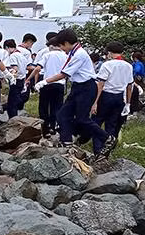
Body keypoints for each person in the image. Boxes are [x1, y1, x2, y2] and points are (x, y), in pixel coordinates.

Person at [35, 28, 117, 159]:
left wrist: (45, 82)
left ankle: (108, 138)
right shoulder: (74, 52)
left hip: (86, 87)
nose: (62, 48)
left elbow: (64, 74)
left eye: (62, 45)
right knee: (62, 114)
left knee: (82, 119)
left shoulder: (79, 54)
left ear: (67, 43)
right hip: (77, 87)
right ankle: (66, 143)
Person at [91, 41, 133, 154]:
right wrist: (128, 103)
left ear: (109, 53)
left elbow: (101, 84)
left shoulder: (107, 65)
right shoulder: (128, 66)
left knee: (97, 122)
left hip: (106, 96)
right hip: (119, 97)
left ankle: (98, 150)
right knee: (112, 124)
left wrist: (95, 102)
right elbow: (130, 86)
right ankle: (107, 151)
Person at [26, 34, 67, 138]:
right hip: (60, 84)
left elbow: (37, 69)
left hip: (47, 83)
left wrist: (28, 79)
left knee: (43, 106)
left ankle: (45, 129)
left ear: (52, 46)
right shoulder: (66, 56)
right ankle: (53, 127)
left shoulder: (47, 55)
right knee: (56, 106)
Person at [2, 39, 33, 118]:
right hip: (22, 79)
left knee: (12, 103)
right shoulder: (21, 55)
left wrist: (10, 76)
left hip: (16, 80)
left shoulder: (13, 56)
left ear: (7, 47)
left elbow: (15, 68)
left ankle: (13, 120)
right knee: (16, 100)